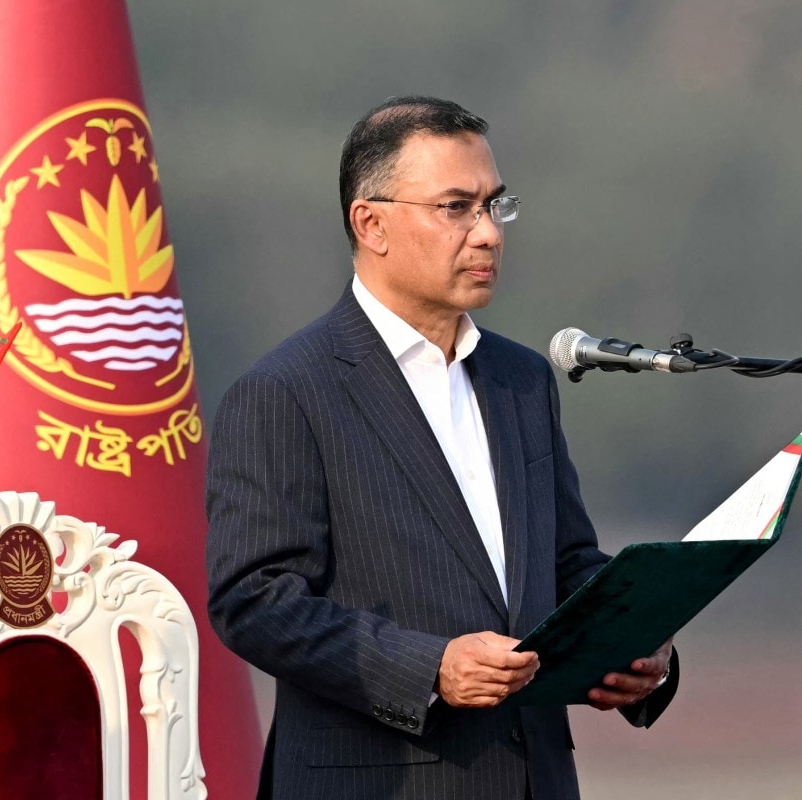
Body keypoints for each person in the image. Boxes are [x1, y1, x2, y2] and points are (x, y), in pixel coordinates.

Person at [205, 96, 677, 800]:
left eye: (495, 205)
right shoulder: (287, 391)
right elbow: (255, 601)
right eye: (456, 208)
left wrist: (636, 640)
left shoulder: (521, 380)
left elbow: (566, 562)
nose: (488, 234)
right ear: (372, 224)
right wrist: (427, 668)